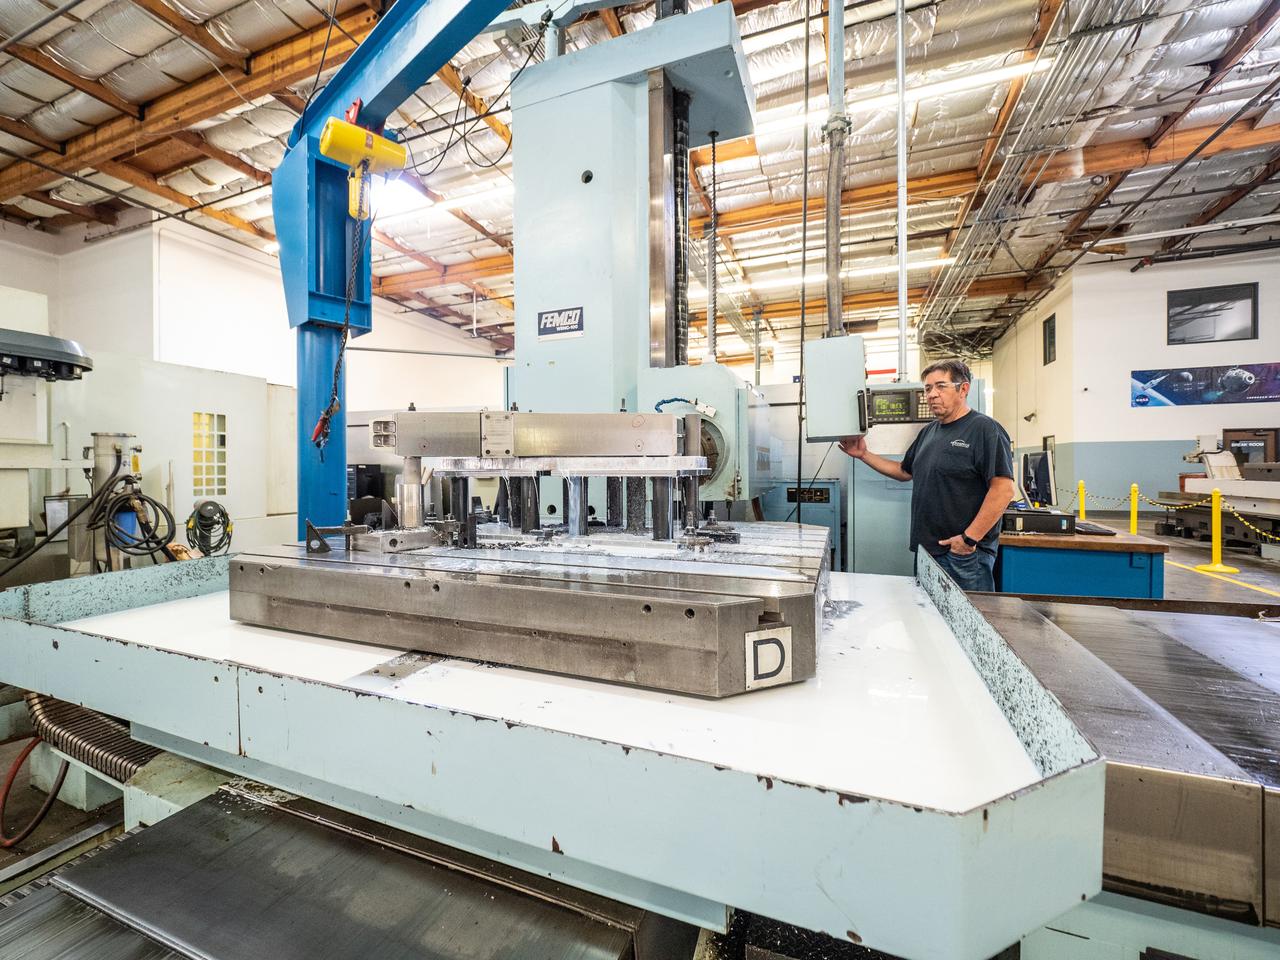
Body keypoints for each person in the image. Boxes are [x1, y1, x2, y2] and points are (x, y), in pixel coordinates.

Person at [840, 359, 1015, 591]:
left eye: (941, 386)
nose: (932, 394)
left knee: (968, 613)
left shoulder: (985, 429)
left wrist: (968, 539)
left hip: (962, 555)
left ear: (963, 389)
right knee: (928, 612)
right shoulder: (929, 432)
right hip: (927, 551)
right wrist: (863, 455)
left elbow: (1003, 490)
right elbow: (904, 471)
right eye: (928, 388)